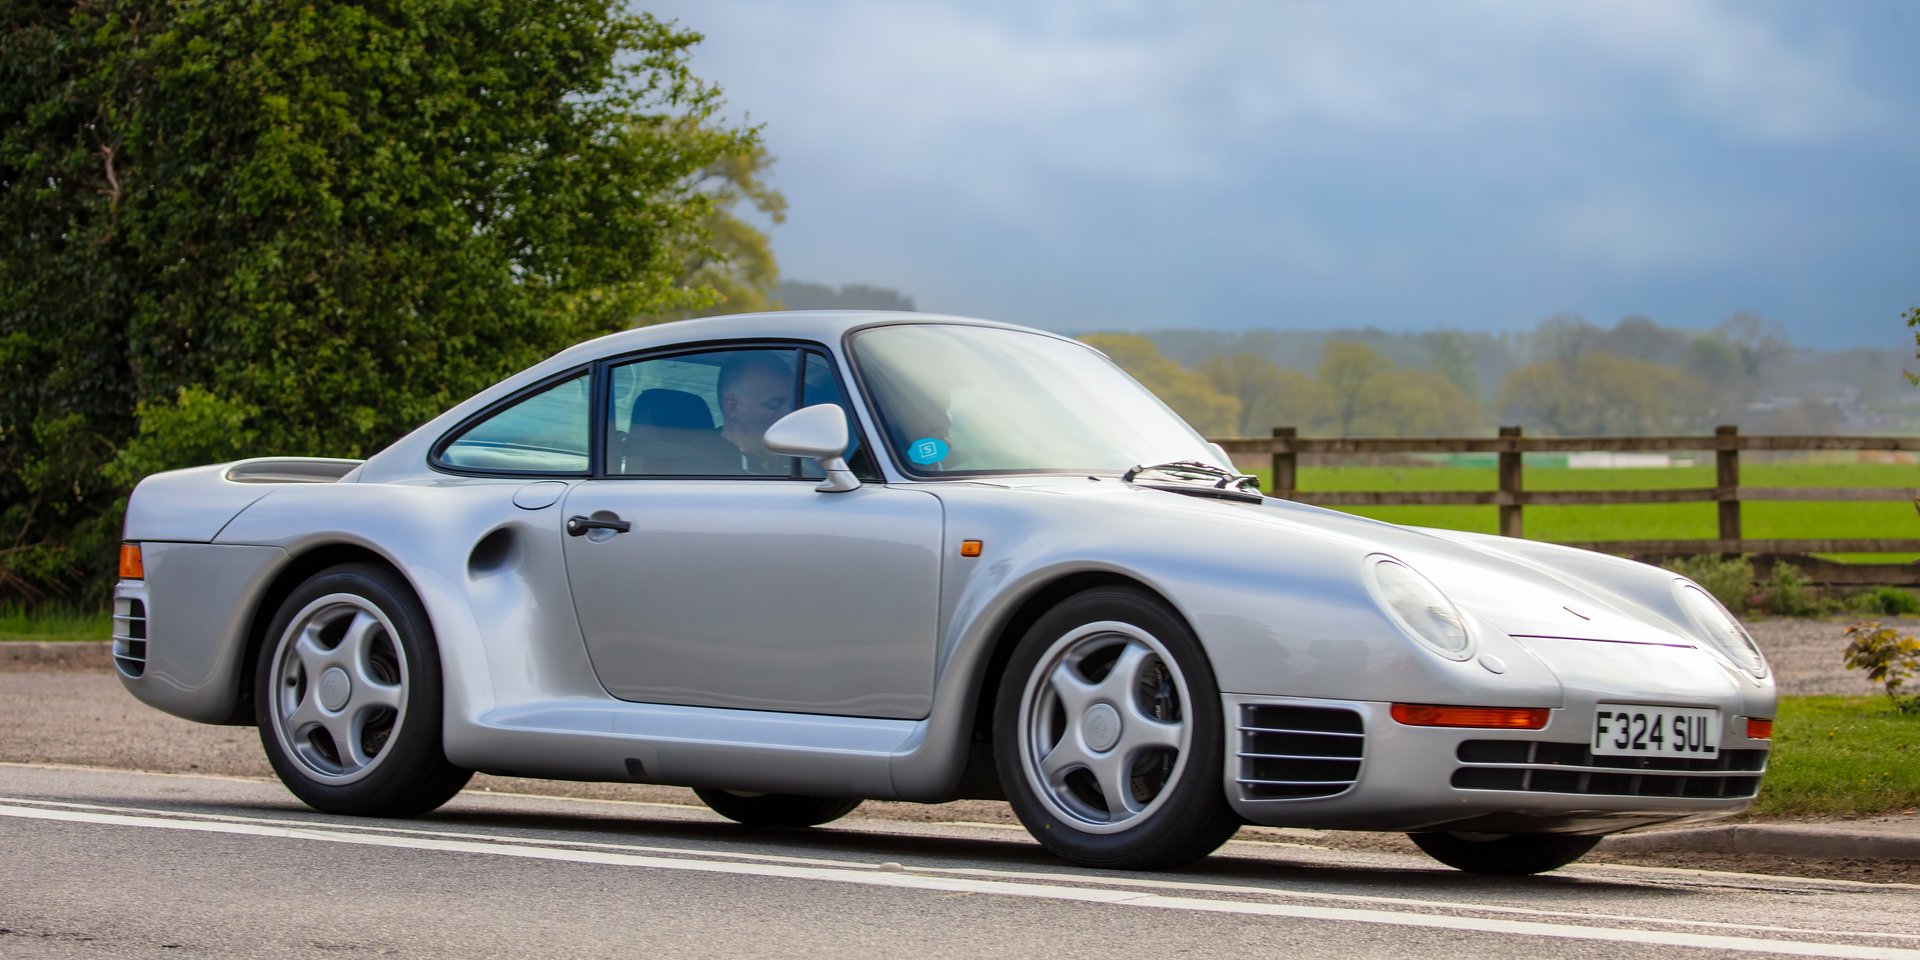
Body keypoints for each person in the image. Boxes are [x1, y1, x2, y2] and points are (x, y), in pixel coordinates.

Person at [715, 352, 795, 474]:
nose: (790, 415)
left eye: (793, 405)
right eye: (775, 405)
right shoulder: (704, 470)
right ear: (733, 408)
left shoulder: (800, 465)